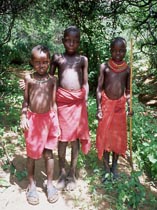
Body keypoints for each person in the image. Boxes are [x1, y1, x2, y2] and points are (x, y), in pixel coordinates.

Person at [49, 26, 91, 191]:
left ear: (79, 42)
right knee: (62, 138)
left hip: (78, 104)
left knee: (75, 140)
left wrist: (85, 98)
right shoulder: (57, 58)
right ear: (63, 40)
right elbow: (51, 79)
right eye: (68, 40)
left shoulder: (83, 60)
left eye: (75, 41)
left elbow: (85, 82)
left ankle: (72, 173)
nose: (71, 43)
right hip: (62, 103)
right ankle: (62, 172)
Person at [20, 45, 60, 205]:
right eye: (37, 62)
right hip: (33, 121)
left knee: (49, 153)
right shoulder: (29, 79)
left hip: (49, 119)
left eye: (45, 62)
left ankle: (49, 184)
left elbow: (54, 102)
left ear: (49, 62)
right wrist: (23, 116)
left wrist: (56, 122)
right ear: (32, 62)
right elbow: (26, 100)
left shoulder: (52, 80)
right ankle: (31, 185)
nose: (41, 66)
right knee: (32, 154)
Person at [96, 37, 133, 182]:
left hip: (119, 107)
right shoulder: (104, 67)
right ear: (110, 51)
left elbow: (128, 91)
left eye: (121, 51)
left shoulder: (127, 69)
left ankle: (114, 167)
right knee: (105, 137)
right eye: (115, 51)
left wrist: (130, 106)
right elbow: (99, 89)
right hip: (106, 106)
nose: (118, 53)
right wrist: (98, 108)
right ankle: (106, 169)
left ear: (125, 51)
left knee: (117, 138)